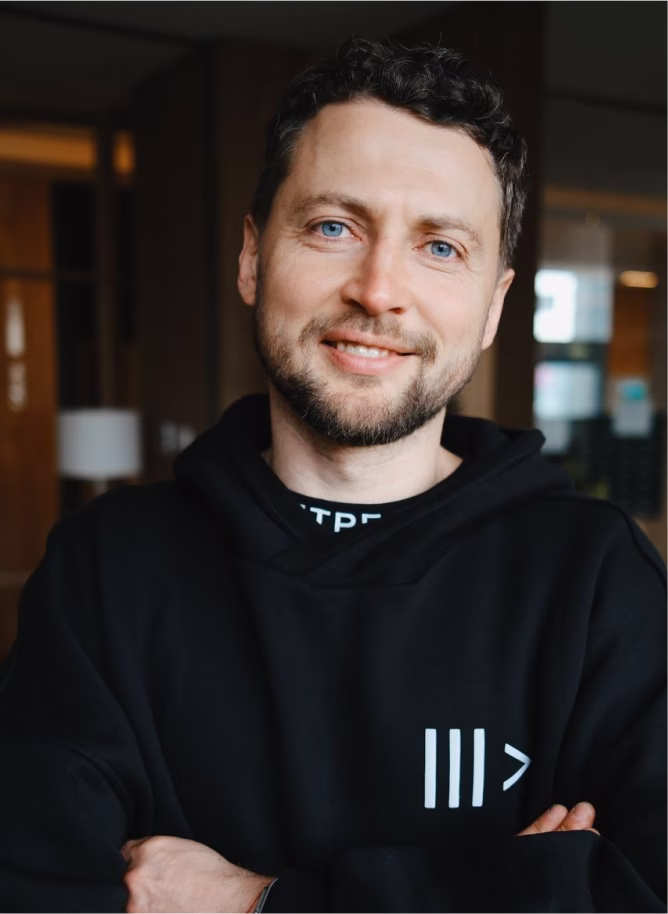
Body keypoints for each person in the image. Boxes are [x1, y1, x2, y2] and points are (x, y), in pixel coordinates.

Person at [0, 36, 667, 914]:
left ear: (496, 305)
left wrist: (255, 901)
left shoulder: (593, 577)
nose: (379, 289)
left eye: (440, 248)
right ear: (252, 258)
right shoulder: (104, 569)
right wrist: (516, 890)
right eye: (333, 227)